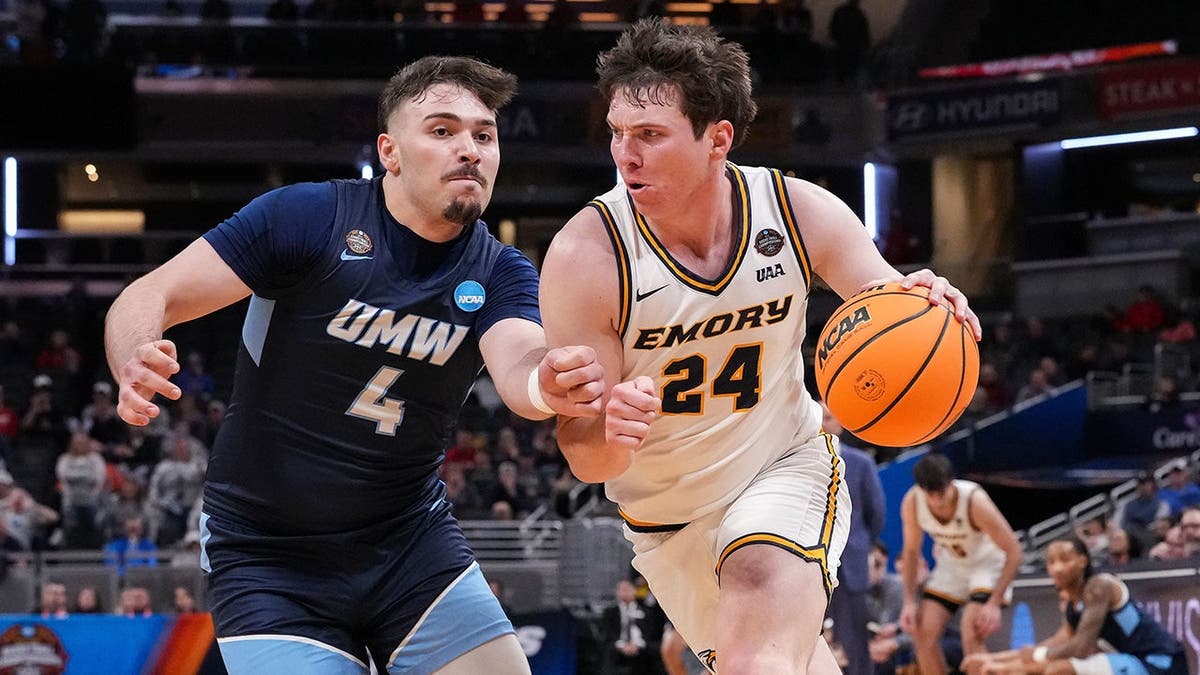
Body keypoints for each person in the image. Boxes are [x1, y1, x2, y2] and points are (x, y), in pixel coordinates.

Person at [105, 56, 603, 675]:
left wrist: (548, 384)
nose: (470, 149)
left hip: (409, 544)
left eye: (484, 134)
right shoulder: (309, 217)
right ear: (390, 152)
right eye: (443, 131)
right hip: (270, 553)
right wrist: (134, 354)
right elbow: (148, 294)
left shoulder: (501, 270)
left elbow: (521, 368)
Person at [538, 18, 981, 674]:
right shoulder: (587, 256)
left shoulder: (798, 212)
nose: (624, 156)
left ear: (717, 138)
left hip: (784, 468)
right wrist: (610, 428)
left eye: (650, 136)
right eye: (617, 133)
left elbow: (896, 307)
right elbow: (584, 455)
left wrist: (934, 302)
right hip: (670, 522)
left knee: (753, 658)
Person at [962, 536, 1187, 675]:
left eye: (1065, 559)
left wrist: (1013, 666)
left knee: (1058, 669)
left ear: (1083, 561)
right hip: (1129, 663)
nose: (1057, 568)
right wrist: (992, 659)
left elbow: (1079, 649)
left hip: (1160, 664)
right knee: (1044, 667)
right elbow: (1052, 644)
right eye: (1051, 562)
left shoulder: (1100, 586)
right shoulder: (1073, 605)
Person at [898, 454, 1023, 675]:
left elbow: (1014, 550)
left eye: (941, 493)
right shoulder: (912, 502)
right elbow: (910, 552)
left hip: (987, 565)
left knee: (971, 629)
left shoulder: (975, 501)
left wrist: (994, 602)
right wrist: (909, 601)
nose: (936, 500)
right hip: (953, 566)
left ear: (951, 482)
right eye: (930, 494)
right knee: (921, 631)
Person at [822, 403, 886, 675]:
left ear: (841, 423)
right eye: (818, 418)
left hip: (850, 563)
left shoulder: (861, 463)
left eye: (828, 417)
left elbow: (877, 513)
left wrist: (859, 544)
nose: (822, 423)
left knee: (856, 643)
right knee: (809, 641)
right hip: (810, 563)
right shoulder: (796, 463)